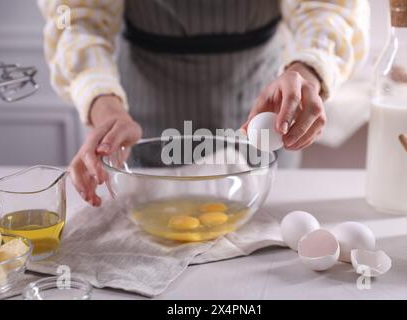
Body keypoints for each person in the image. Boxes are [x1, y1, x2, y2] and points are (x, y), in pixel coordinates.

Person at [38, 0, 369, 206]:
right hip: (142, 113)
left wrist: (308, 71)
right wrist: (104, 105)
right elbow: (74, 19)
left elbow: (330, 7)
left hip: (266, 98)